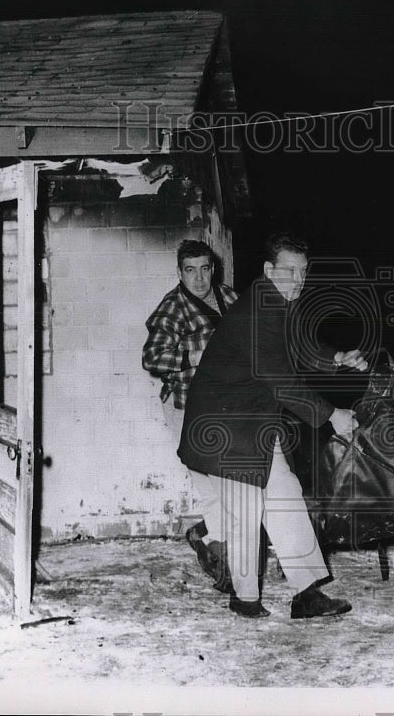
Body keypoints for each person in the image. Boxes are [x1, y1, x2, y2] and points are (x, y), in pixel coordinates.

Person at [177, 232, 368, 619]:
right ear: (269, 270)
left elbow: (299, 345)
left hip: (254, 423)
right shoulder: (259, 309)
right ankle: (245, 598)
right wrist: (334, 416)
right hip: (227, 427)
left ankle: (306, 593)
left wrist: (336, 357)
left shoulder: (278, 301)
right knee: (247, 510)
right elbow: (281, 381)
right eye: (290, 271)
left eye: (303, 272)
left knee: (286, 497)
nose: (298, 279)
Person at [142, 239, 239, 592]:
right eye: (190, 270)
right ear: (180, 272)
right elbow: (151, 358)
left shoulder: (231, 299)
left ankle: (206, 536)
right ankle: (225, 564)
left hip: (225, 406)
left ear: (213, 269)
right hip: (186, 408)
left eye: (204, 269)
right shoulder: (173, 307)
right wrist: (196, 357)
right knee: (211, 488)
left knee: (232, 486)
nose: (199, 278)